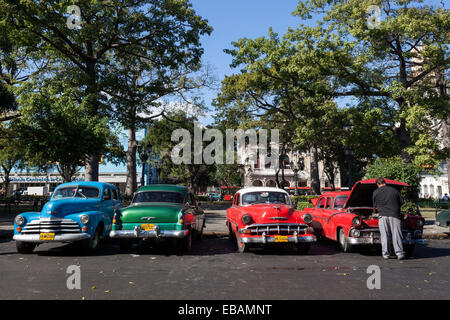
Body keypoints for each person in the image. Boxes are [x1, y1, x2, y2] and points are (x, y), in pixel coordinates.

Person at [372, 177, 405, 260]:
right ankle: (399, 253)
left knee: (384, 235)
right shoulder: (394, 190)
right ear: (385, 182)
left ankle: (386, 254)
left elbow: (374, 205)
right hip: (395, 214)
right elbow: (402, 202)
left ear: (377, 184)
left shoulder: (376, 192)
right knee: (397, 234)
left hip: (382, 215)